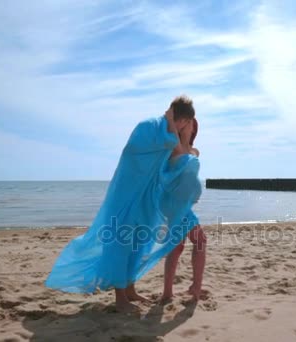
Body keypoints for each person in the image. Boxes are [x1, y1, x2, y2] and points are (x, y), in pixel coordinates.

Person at [45, 96, 195, 313]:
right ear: (181, 119)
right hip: (127, 194)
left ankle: (130, 289)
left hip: (147, 196)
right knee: (120, 243)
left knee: (139, 244)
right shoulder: (148, 126)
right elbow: (148, 149)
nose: (183, 128)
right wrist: (172, 126)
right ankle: (120, 298)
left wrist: (175, 130)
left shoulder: (169, 132)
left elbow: (179, 154)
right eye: (185, 123)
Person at [160, 118, 207, 303]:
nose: (191, 125)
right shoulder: (173, 148)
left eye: (194, 123)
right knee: (200, 240)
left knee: (177, 246)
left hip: (184, 205)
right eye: (187, 122)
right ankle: (194, 288)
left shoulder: (195, 151)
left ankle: (168, 293)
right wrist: (171, 116)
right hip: (174, 204)